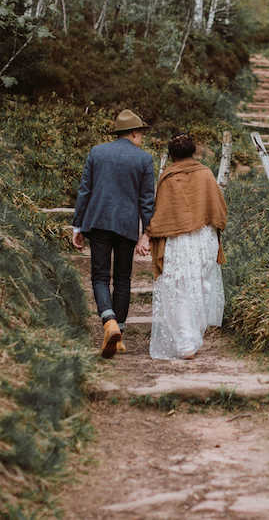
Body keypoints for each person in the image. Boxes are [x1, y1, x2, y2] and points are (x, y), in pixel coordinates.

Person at [71, 109, 154, 358]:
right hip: (127, 226)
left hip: (97, 222)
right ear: (135, 132)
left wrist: (78, 226)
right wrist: (146, 234)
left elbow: (84, 190)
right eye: (141, 133)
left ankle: (108, 322)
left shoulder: (97, 152)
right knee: (122, 279)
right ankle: (118, 336)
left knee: (99, 276)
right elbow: (147, 202)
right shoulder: (144, 159)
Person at [146, 132, 227, 360]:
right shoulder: (206, 174)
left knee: (180, 289)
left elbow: (161, 213)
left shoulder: (167, 177)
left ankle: (185, 341)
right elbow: (219, 209)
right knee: (201, 286)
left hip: (177, 239)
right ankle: (189, 338)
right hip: (203, 238)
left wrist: (149, 233)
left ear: (171, 155)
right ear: (194, 152)